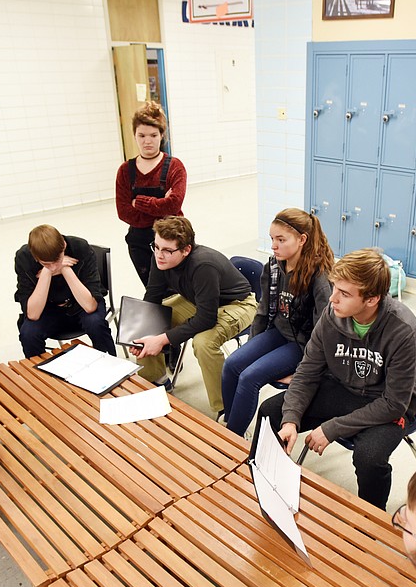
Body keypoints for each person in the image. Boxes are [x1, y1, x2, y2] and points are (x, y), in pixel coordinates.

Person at [254, 248, 416, 510]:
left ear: (372, 299)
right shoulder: (332, 314)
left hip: (389, 403)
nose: (332, 299)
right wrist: (291, 419)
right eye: (334, 288)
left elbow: (394, 404)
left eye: (344, 294)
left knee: (369, 457)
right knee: (272, 412)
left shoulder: (402, 329)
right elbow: (308, 371)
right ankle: (264, 485)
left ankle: (371, 520)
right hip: (344, 387)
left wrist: (332, 428)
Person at [220, 209, 334, 436]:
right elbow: (263, 312)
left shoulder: (318, 276)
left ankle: (231, 438)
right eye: (272, 238)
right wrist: (254, 346)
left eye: (281, 240)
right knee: (232, 365)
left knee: (249, 377)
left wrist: (305, 371)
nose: (274, 245)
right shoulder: (273, 267)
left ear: (302, 240)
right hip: (278, 332)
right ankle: (231, 426)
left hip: (303, 344)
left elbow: (325, 333)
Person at [134, 216, 257, 415]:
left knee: (203, 342)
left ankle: (227, 409)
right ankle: (155, 380)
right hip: (200, 300)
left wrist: (162, 340)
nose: (159, 255)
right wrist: (138, 334)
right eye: (156, 246)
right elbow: (153, 297)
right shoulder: (159, 256)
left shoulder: (203, 265)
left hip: (238, 304)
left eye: (167, 250)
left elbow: (206, 318)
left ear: (186, 250)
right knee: (154, 315)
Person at [15, 224, 116, 358]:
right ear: (36, 257)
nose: (53, 267)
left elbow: (89, 306)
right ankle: (43, 374)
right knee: (28, 333)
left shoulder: (80, 248)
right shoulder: (24, 258)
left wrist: (65, 269)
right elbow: (33, 314)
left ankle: (111, 364)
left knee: (95, 323)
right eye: (45, 263)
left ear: (63, 245)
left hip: (80, 305)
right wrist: (47, 273)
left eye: (57, 260)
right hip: (48, 309)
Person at [115, 101, 186, 287]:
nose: (147, 141)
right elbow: (123, 212)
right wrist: (160, 205)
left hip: (173, 240)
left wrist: (138, 202)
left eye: (153, 135)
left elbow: (173, 205)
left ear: (162, 135)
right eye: (142, 135)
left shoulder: (174, 167)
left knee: (179, 289)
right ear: (134, 135)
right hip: (139, 244)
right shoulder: (125, 171)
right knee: (154, 290)